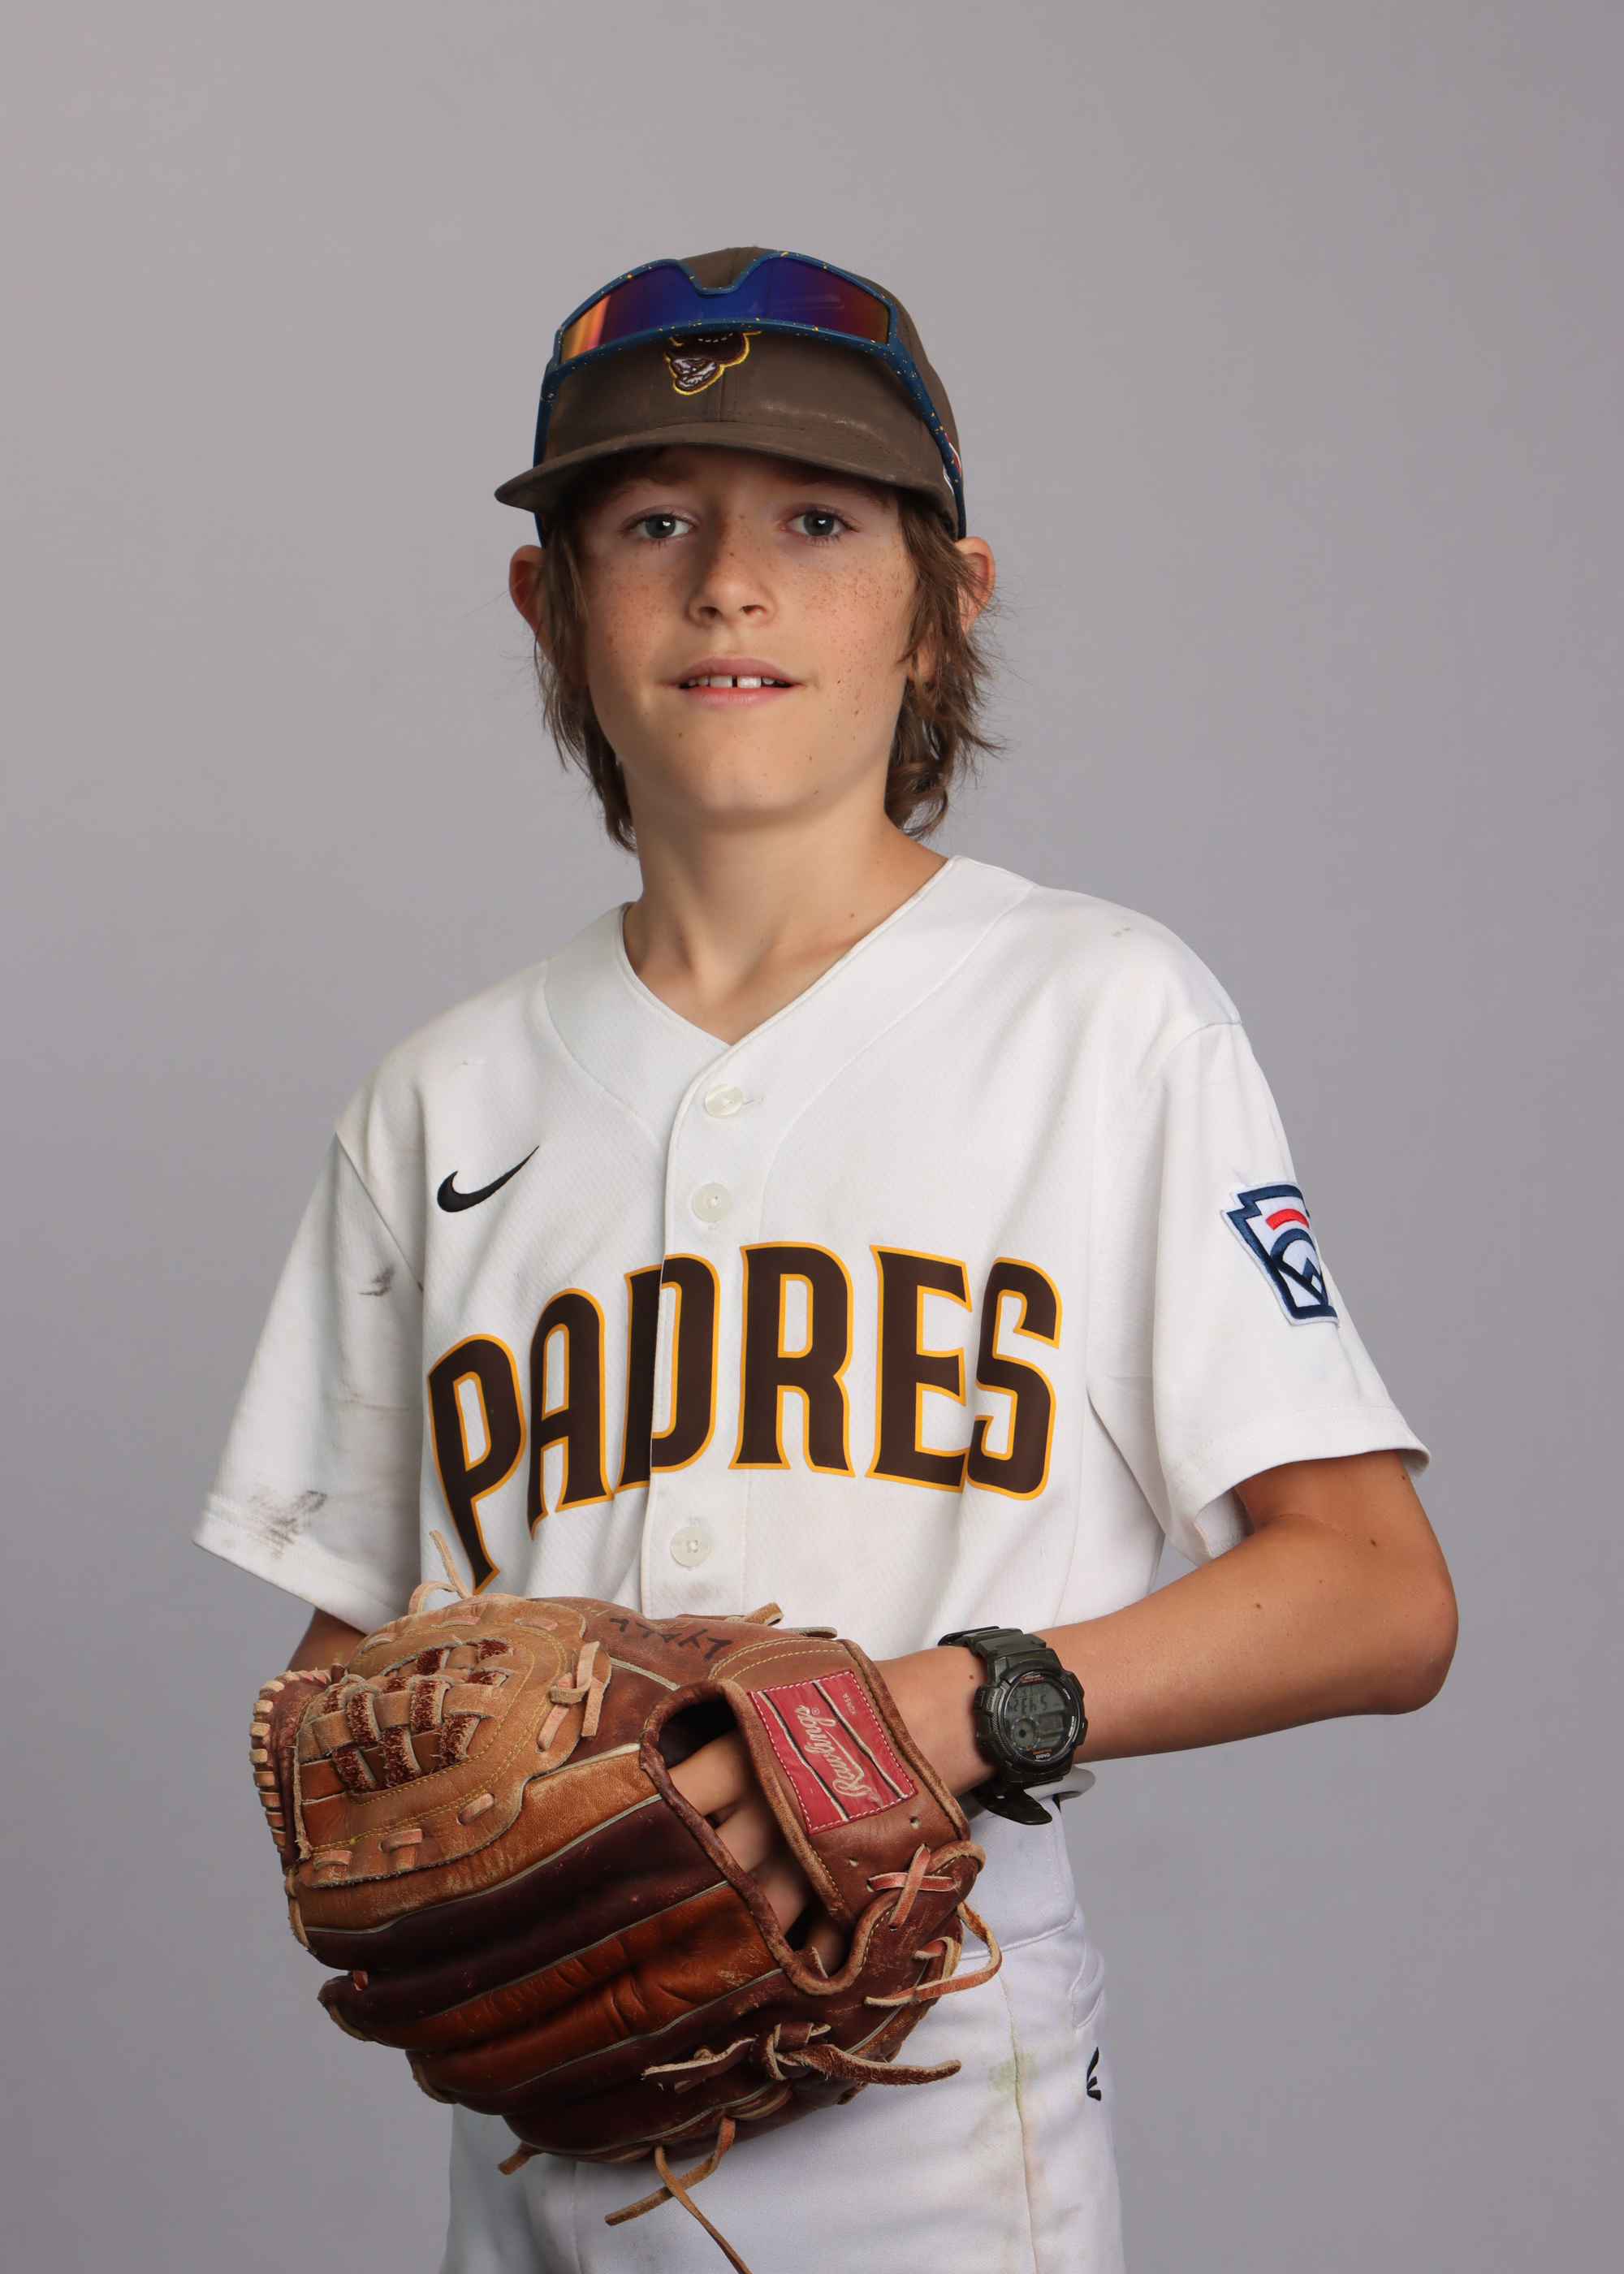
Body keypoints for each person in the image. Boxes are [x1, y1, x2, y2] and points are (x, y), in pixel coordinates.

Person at [197, 247, 1458, 2272]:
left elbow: (1377, 1591)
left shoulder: (1098, 1013)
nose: (730, 585)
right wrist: (407, 1835)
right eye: (651, 521)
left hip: (941, 2131)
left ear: (944, 602)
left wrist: (955, 1706)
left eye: (816, 518)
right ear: (548, 602)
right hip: (543, 2155)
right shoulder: (435, 1100)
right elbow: (343, 1681)